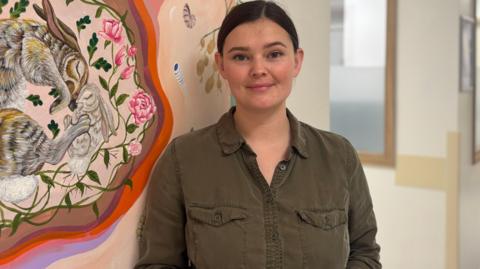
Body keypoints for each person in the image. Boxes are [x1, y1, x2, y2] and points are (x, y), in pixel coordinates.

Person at [135, 1, 381, 268]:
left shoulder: (339, 157)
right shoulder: (182, 160)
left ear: (296, 61)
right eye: (241, 57)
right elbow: (158, 263)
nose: (258, 69)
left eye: (274, 54)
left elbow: (364, 253)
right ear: (222, 65)